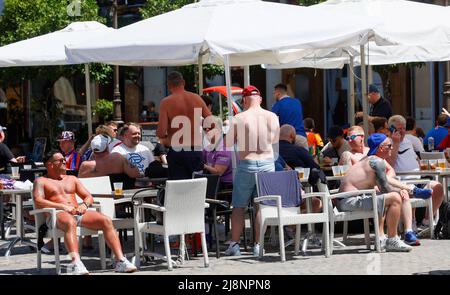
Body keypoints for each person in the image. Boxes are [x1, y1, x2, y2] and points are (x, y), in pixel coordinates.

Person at [33, 151, 137, 274]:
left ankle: (121, 261)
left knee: (106, 220)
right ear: (50, 164)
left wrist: (84, 205)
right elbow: (38, 200)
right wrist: (62, 206)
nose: (65, 161)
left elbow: (88, 196)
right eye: (61, 160)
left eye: (64, 159)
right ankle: (76, 263)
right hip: (57, 214)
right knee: (70, 222)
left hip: (77, 212)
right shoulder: (41, 181)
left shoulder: (72, 179)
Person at [223, 85, 279, 257]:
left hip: (247, 163)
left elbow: (227, 143)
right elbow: (274, 140)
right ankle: (258, 245)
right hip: (268, 163)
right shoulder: (272, 116)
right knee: (261, 205)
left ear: (245, 100)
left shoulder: (239, 118)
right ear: (260, 99)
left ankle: (234, 245)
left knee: (239, 206)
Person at [339, 133, 418, 252]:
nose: (392, 148)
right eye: (389, 145)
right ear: (381, 148)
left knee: (384, 197)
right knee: (395, 198)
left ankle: (381, 238)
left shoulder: (369, 159)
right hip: (349, 201)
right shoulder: (377, 162)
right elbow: (385, 188)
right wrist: (402, 191)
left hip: (345, 199)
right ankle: (392, 239)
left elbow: (383, 187)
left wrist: (402, 189)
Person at [387, 115, 444, 234]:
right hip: (401, 183)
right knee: (409, 191)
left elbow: (416, 158)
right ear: (391, 129)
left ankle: (427, 221)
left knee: (438, 187)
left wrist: (420, 163)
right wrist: (396, 143)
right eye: (398, 128)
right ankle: (410, 222)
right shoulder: (388, 144)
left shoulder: (408, 141)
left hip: (418, 181)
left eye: (403, 128)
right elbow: (390, 163)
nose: (402, 131)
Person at [156, 71, 211, 180]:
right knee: (197, 187)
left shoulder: (166, 102)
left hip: (177, 152)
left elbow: (161, 132)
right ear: (183, 82)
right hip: (195, 150)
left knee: (178, 190)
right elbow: (212, 123)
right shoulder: (196, 98)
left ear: (169, 85)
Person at [271, 83, 308, 150]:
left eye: (274, 93)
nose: (273, 96)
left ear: (278, 93)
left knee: (286, 160)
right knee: (305, 160)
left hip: (287, 140)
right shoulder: (297, 102)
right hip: (301, 137)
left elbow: (273, 125)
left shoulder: (277, 105)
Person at [203, 124, 233, 189]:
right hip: (214, 179)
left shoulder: (223, 150)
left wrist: (204, 166)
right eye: (205, 128)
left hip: (225, 183)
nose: (207, 130)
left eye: (211, 128)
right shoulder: (208, 148)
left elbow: (218, 172)